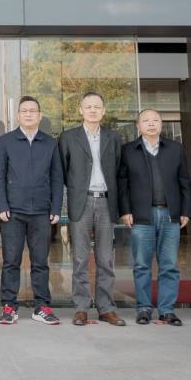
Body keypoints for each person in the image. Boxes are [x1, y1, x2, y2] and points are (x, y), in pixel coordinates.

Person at [0, 96, 64, 326]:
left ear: (40, 115)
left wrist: (55, 207)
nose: (29, 114)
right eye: (24, 111)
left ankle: (42, 307)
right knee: (11, 261)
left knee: (40, 262)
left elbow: (57, 177)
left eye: (33, 110)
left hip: (42, 211)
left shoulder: (50, 143)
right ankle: (9, 306)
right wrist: (1, 205)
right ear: (18, 115)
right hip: (13, 212)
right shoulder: (6, 141)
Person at [118, 109, 191, 326]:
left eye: (155, 120)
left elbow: (184, 181)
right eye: (146, 120)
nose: (151, 124)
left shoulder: (175, 149)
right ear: (138, 126)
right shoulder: (128, 150)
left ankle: (167, 310)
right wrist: (125, 211)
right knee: (142, 264)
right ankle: (143, 307)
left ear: (161, 124)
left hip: (170, 215)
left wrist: (186, 211)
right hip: (142, 215)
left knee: (169, 265)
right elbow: (122, 184)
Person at [58, 91, 126, 327]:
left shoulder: (113, 137)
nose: (93, 110)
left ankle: (106, 308)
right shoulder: (68, 137)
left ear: (103, 111)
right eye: (88, 107)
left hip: (106, 202)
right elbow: (62, 173)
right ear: (80, 110)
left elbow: (120, 172)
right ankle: (81, 308)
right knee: (80, 258)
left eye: (97, 106)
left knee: (105, 258)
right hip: (81, 202)